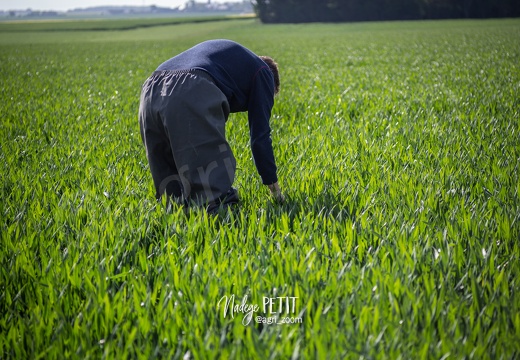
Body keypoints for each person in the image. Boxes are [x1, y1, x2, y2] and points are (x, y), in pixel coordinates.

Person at [138, 39, 284, 214]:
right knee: (211, 192)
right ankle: (223, 233)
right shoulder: (263, 72)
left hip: (151, 89)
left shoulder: (234, 63)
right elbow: (260, 137)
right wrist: (275, 190)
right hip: (191, 88)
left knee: (171, 190)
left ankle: (171, 231)